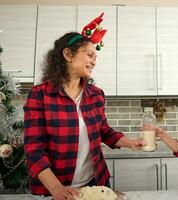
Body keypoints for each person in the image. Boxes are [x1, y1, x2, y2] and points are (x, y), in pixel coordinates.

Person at [23, 13, 144, 200]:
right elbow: (34, 149)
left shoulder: (96, 95)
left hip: (96, 183)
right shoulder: (40, 95)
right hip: (57, 188)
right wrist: (56, 189)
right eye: (89, 55)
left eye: (95, 57)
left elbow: (104, 131)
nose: (94, 61)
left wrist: (130, 142)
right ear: (68, 54)